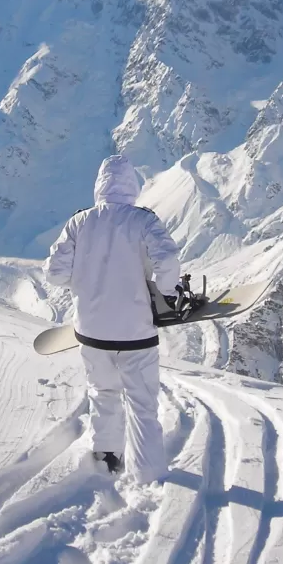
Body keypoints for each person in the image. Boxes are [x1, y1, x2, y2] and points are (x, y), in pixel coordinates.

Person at [44, 154, 181, 483]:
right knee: (142, 403)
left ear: (99, 186)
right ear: (132, 185)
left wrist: (87, 280)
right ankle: (149, 472)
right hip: (137, 333)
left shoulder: (79, 222)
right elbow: (168, 257)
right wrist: (168, 293)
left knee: (102, 394)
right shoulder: (144, 220)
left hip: (91, 332)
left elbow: (55, 274)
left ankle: (107, 460)